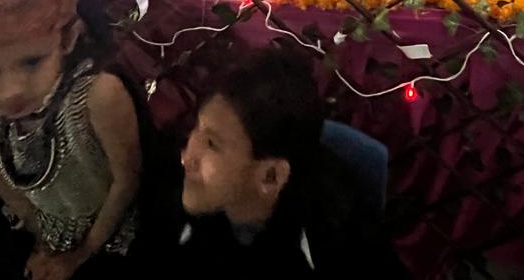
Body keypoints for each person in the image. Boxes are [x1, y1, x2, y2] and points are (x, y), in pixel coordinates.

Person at [0, 0, 143, 280]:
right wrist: (38, 236)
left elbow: (127, 180)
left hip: (111, 241)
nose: (11, 90)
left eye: (31, 62)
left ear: (68, 39)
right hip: (37, 234)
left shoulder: (98, 96)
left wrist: (79, 255)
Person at [162, 46, 406, 278]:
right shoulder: (178, 195)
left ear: (271, 176)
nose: (186, 157)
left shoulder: (341, 238)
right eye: (196, 128)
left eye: (212, 144)